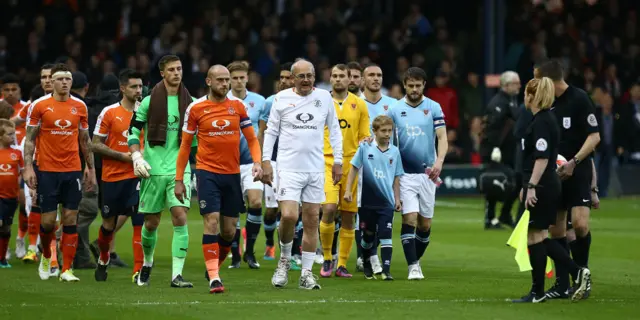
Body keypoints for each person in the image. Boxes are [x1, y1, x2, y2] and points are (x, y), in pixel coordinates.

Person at [175, 64, 262, 294]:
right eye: (221, 80)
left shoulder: (237, 107)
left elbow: (252, 139)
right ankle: (214, 277)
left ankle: (214, 266)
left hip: (232, 174)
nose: (225, 84)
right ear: (209, 81)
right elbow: (185, 146)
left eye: (227, 80)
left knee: (229, 230)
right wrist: (179, 179)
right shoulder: (196, 108)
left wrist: (257, 162)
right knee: (211, 220)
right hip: (207, 172)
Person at [262, 59, 343, 290]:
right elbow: (271, 132)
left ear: (314, 76)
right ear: (293, 78)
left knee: (311, 221)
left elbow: (334, 131)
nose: (306, 80)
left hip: (316, 169)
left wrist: (338, 161)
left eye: (310, 75)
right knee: (288, 215)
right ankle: (285, 259)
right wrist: (266, 161)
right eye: (301, 76)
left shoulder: (324, 98)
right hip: (288, 168)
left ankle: (306, 273)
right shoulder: (281, 98)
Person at [513, 77, 591, 303]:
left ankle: (575, 273)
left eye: (526, 94)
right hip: (545, 184)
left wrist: (531, 187)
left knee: (536, 237)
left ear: (530, 96)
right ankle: (539, 291)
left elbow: (541, 158)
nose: (524, 98)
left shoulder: (541, 122)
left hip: (542, 185)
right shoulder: (545, 119)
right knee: (536, 237)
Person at [127, 54, 196, 288]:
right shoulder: (148, 101)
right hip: (152, 171)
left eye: (179, 68)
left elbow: (198, 140)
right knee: (151, 223)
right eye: (172, 70)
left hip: (179, 171)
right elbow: (133, 131)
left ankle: (177, 275)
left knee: (180, 216)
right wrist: (136, 156)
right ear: (162, 73)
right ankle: (147, 263)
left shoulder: (192, 103)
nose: (177, 73)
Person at [24, 63, 97, 282]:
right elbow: (29, 140)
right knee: (47, 223)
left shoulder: (80, 107)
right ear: (52, 82)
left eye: (68, 79)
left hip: (72, 170)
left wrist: (90, 168)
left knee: (70, 218)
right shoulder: (39, 106)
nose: (64, 82)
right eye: (60, 79)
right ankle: (47, 256)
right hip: (46, 170)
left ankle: (66, 269)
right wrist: (28, 167)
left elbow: (85, 140)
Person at [537, 60, 600, 300]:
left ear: (550, 80)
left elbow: (594, 137)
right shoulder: (546, 102)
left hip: (578, 168)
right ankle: (564, 285)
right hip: (554, 174)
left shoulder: (579, 99)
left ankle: (582, 275)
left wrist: (574, 162)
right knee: (556, 230)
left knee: (581, 225)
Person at [388, 67, 448, 280]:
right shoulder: (394, 109)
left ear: (424, 85)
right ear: (404, 85)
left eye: (418, 85)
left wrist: (439, 162)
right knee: (410, 219)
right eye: (410, 85)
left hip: (428, 174)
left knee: (425, 225)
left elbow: (442, 137)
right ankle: (413, 265)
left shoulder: (433, 107)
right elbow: (383, 135)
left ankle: (415, 259)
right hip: (404, 174)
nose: (414, 89)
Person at [91, 69, 145, 282]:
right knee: (108, 225)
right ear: (122, 88)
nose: (138, 90)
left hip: (138, 176)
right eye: (134, 86)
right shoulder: (109, 112)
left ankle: (138, 271)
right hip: (112, 177)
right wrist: (124, 156)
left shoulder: (146, 112)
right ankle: (104, 258)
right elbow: (95, 144)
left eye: (140, 86)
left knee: (139, 222)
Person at [319, 63, 370, 278]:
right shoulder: (321, 102)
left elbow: (363, 136)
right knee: (329, 208)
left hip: (351, 164)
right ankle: (327, 258)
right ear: (330, 79)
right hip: (326, 162)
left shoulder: (359, 104)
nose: (338, 79)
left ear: (350, 79)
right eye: (334, 76)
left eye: (342, 76)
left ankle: (341, 264)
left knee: (349, 215)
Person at [344, 115, 403, 280]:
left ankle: (386, 270)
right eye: (383, 130)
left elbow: (397, 177)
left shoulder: (395, 151)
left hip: (387, 202)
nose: (387, 134)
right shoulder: (365, 147)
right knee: (368, 235)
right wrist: (348, 190)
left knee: (385, 234)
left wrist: (397, 199)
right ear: (374, 131)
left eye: (389, 131)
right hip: (366, 202)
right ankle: (367, 260)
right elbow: (354, 168)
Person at [356, 63, 397, 273]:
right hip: (359, 166)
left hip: (384, 169)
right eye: (371, 75)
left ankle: (369, 256)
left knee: (381, 215)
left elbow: (397, 138)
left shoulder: (393, 105)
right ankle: (363, 255)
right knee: (359, 216)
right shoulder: (354, 103)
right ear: (363, 80)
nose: (375, 78)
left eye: (379, 75)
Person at [225, 60, 266, 269]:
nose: (239, 81)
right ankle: (235, 254)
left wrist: (262, 160)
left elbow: (263, 132)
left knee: (256, 202)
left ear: (247, 78)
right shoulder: (222, 101)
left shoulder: (260, 101)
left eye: (242, 77)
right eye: (235, 78)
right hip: (229, 163)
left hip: (252, 162)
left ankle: (250, 251)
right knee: (233, 209)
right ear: (229, 80)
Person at [258, 62, 296, 264]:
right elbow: (262, 133)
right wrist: (263, 161)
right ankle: (270, 244)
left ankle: (292, 252)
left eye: (288, 77)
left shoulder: (304, 101)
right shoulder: (269, 102)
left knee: (291, 210)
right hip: (273, 160)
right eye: (281, 78)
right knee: (272, 209)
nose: (284, 81)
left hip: (295, 161)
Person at [480, 71, 521, 229]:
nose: (518, 86)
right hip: (496, 152)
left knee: (514, 181)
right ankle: (491, 217)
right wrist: (493, 149)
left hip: (509, 150)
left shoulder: (511, 101)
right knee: (496, 182)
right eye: (515, 83)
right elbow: (491, 129)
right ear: (506, 85)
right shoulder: (498, 103)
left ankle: (503, 214)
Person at [1, 73, 28, 260]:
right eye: (6, 89)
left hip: (19, 163)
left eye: (14, 89)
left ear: (19, 90)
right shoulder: (1, 108)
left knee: (24, 204)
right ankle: (5, 248)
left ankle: (20, 239)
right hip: (4, 163)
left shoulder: (26, 109)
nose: (10, 93)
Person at [0, 119, 24, 268]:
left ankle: (2, 258)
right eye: (9, 134)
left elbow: (22, 174)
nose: (13, 137)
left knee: (6, 228)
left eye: (14, 134)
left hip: (11, 197)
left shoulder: (17, 153)